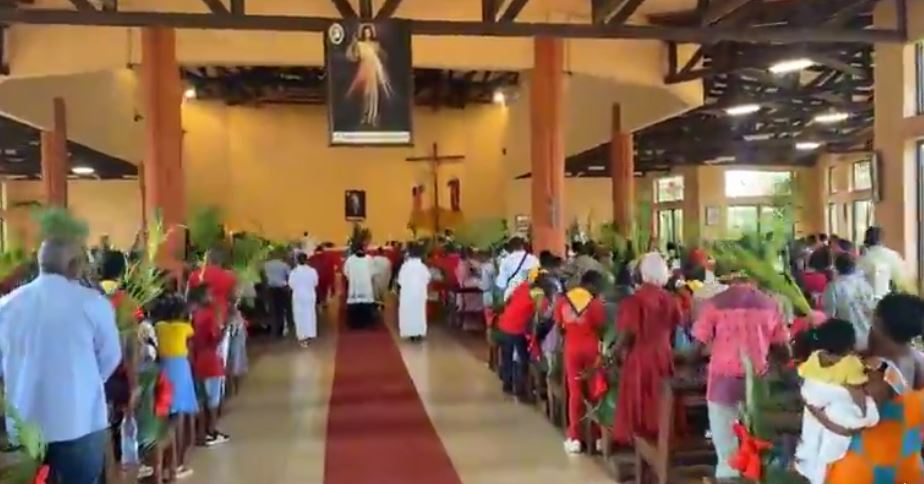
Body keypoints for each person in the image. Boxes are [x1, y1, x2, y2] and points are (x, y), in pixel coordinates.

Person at [0, 238, 122, 484]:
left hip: (24, 424)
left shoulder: (6, 305)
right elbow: (111, 357)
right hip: (79, 422)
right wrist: (85, 381)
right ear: (74, 265)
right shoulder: (93, 303)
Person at [691, 274, 790, 480]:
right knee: (755, 443)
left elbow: (697, 346)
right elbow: (783, 351)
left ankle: (728, 478)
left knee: (727, 446)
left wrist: (692, 367)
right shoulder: (771, 305)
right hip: (758, 386)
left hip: (722, 384)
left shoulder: (715, 303)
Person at [824, 293, 924, 482]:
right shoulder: (919, 360)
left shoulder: (876, 372)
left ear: (877, 322)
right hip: (907, 464)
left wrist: (812, 407)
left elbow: (848, 424)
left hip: (866, 471)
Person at [795, 318, 879, 484]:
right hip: (832, 407)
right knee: (832, 442)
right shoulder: (851, 364)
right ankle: (825, 465)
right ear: (850, 346)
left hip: (813, 401)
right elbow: (856, 391)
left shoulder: (814, 356)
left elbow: (804, 379)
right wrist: (862, 413)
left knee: (812, 436)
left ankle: (809, 465)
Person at [612, 253, 681, 445]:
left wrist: (613, 354)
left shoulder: (634, 300)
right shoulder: (670, 299)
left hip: (640, 356)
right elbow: (674, 328)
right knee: (661, 399)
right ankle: (661, 437)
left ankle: (641, 445)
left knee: (641, 398)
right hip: (664, 354)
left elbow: (627, 333)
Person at [556, 270, 607, 454]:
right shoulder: (595, 304)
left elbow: (560, 327)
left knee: (575, 393)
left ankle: (575, 438)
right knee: (596, 392)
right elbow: (600, 328)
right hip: (592, 350)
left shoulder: (563, 301)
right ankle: (599, 437)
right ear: (591, 285)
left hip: (572, 350)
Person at [152, 293, 198, 479]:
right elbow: (191, 344)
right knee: (178, 420)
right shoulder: (185, 327)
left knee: (164, 418)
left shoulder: (159, 327)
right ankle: (177, 464)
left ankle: (163, 464)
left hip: (163, 370)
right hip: (180, 370)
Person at [495, 274, 557, 396]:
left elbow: (509, 300)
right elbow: (541, 315)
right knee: (523, 358)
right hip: (518, 327)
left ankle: (507, 384)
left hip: (505, 322)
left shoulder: (523, 286)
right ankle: (520, 388)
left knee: (507, 355)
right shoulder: (538, 294)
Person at [190, 283, 229, 446]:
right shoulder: (210, 316)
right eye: (209, 295)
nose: (212, 298)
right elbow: (214, 339)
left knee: (202, 399)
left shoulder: (194, 315)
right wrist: (225, 330)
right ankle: (211, 431)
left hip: (198, 360)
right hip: (211, 361)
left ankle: (201, 432)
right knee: (213, 400)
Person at [822, 253, 876, 350]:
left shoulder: (833, 287)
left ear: (836, 267)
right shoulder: (865, 285)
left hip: (846, 341)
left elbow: (830, 316)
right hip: (869, 339)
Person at [858, 226, 906, 299]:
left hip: (869, 301)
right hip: (891, 300)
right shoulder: (893, 256)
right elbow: (901, 281)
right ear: (882, 239)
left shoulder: (862, 259)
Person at [397, 243, 431, 340]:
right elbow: (427, 278)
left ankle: (410, 333)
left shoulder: (405, 266)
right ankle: (419, 333)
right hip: (419, 294)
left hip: (407, 295)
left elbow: (400, 281)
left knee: (408, 313)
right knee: (419, 314)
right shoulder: (422, 267)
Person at [289, 252, 319, 347]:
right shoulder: (312, 271)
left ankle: (302, 337)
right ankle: (310, 333)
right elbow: (315, 283)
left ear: (297, 261)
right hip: (309, 295)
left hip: (298, 296)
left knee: (299, 316)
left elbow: (291, 285)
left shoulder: (294, 272)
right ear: (307, 260)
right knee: (309, 314)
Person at [495, 237, 540, 301]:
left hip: (512, 295)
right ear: (522, 246)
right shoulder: (534, 259)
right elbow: (538, 279)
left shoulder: (505, 261)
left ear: (510, 247)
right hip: (530, 295)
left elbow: (501, 284)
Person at [343, 244, 377, 329]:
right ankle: (366, 322)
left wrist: (351, 278)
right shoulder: (369, 259)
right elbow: (373, 272)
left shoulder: (350, 260)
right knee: (366, 304)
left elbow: (345, 272)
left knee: (355, 304)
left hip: (355, 286)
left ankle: (354, 323)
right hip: (366, 286)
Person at [263, 251, 292, 337]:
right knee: (283, 308)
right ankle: (282, 327)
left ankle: (275, 328)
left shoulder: (266, 265)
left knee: (273, 309)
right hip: (282, 288)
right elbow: (289, 275)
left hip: (271, 288)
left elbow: (263, 277)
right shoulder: (284, 265)